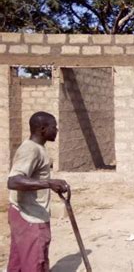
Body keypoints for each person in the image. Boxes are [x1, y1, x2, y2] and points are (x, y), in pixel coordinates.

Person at [7, 111, 69, 271]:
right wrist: (49, 183)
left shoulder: (37, 148)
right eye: (54, 127)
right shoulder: (31, 150)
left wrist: (49, 184)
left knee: (19, 263)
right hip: (30, 217)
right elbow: (13, 181)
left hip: (21, 212)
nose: (56, 130)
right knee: (35, 263)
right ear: (43, 129)